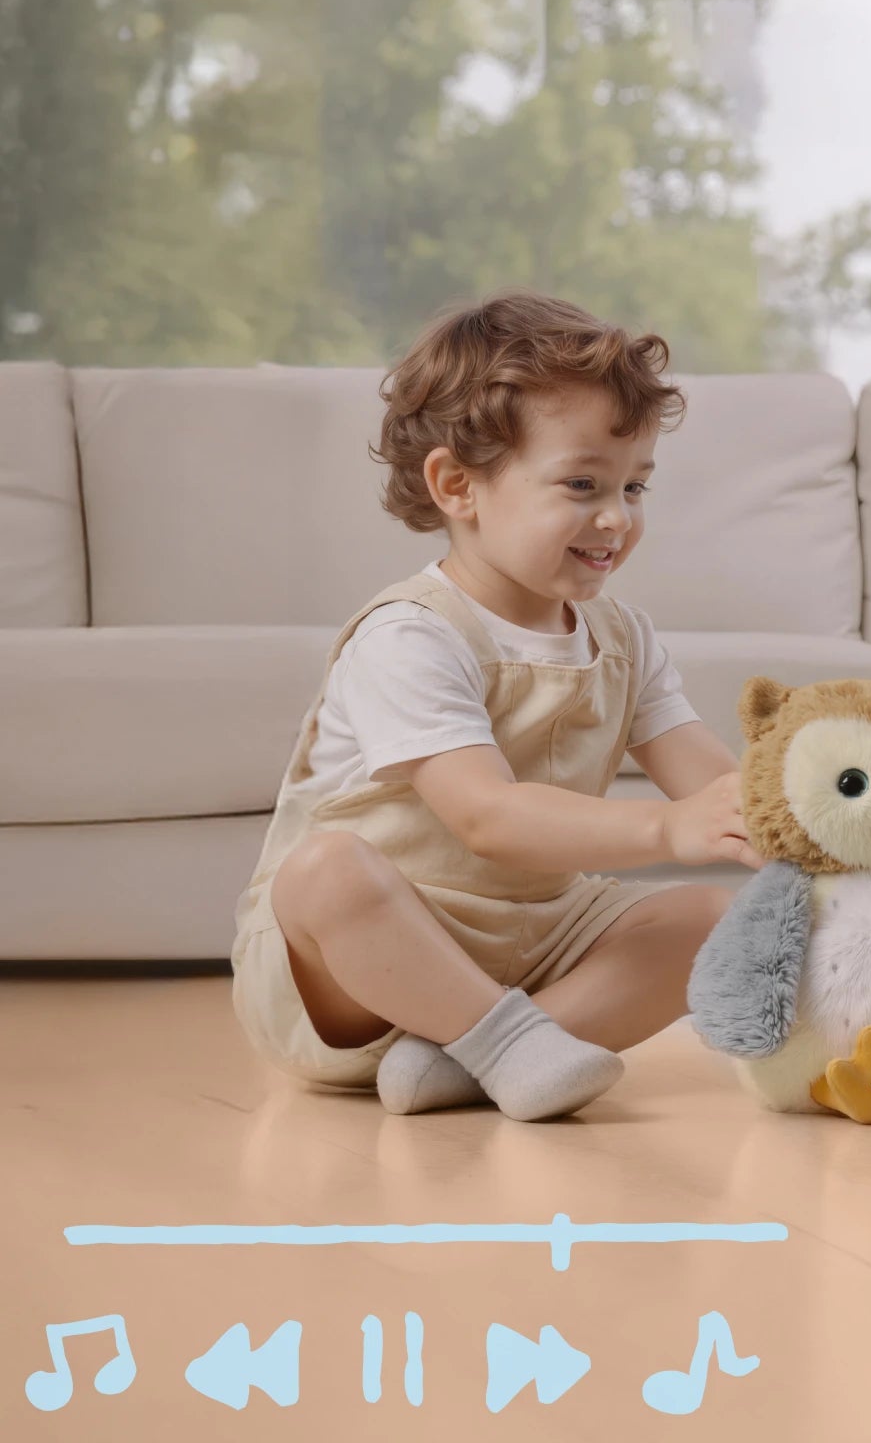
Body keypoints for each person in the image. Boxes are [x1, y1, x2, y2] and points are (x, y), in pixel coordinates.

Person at [230, 292, 758, 1121]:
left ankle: (477, 1058)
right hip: (365, 972)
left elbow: (718, 785)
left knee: (715, 920)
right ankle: (504, 1045)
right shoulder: (410, 636)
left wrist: (794, 832)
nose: (617, 518)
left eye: (636, 486)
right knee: (325, 872)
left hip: (535, 939)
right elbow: (487, 817)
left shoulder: (623, 636)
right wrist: (663, 829)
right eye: (583, 483)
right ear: (456, 485)